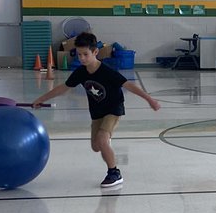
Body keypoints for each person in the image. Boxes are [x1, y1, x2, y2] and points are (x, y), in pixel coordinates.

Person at [33, 31, 161, 190]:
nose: (82, 58)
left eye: (85, 54)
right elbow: (62, 88)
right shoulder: (80, 72)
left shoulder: (106, 71)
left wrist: (150, 100)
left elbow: (128, 85)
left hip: (114, 108)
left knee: (102, 139)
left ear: (95, 52)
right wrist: (41, 99)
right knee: (96, 146)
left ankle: (114, 173)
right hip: (97, 112)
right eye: (79, 55)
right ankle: (105, 140)